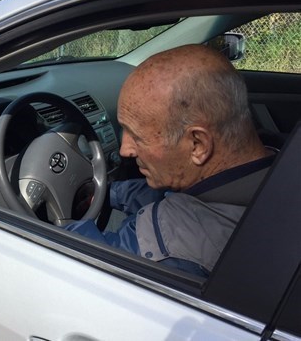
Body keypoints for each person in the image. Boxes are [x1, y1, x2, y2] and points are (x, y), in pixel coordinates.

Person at [67, 44, 275, 277]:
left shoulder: (172, 249)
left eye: (136, 136)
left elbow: (68, 258)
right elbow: (172, 195)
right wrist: (107, 193)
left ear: (197, 145)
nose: (125, 150)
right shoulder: (276, 158)